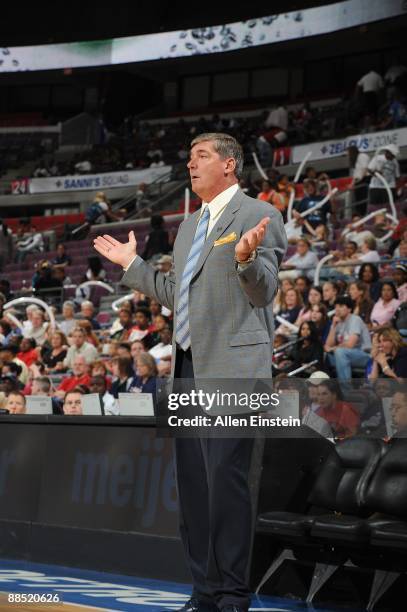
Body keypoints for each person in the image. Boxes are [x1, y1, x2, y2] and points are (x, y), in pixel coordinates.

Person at [94, 131, 287, 612]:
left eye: (201, 156)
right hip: (186, 369)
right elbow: (174, 293)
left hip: (235, 369)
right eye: (189, 157)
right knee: (196, 490)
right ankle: (204, 591)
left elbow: (265, 293)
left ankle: (233, 595)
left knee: (226, 483)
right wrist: (132, 264)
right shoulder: (187, 228)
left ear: (230, 165)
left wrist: (245, 259)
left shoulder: (261, 214)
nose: (191, 164)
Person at [325, 295, 372, 380]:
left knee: (340, 352)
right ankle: (327, 387)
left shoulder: (355, 319)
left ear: (349, 309)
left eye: (341, 306)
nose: (337, 309)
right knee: (324, 355)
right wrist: (333, 326)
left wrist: (334, 348)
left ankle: (346, 389)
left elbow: (350, 344)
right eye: (336, 307)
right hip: (345, 355)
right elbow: (327, 345)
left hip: (364, 355)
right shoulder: (337, 322)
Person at [347, 145, 370, 216]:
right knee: (358, 200)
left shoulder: (362, 156)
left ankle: (364, 214)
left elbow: (365, 169)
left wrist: (360, 180)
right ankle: (360, 214)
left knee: (363, 199)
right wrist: (352, 183)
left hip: (364, 180)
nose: (348, 155)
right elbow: (356, 174)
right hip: (359, 181)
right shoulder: (356, 160)